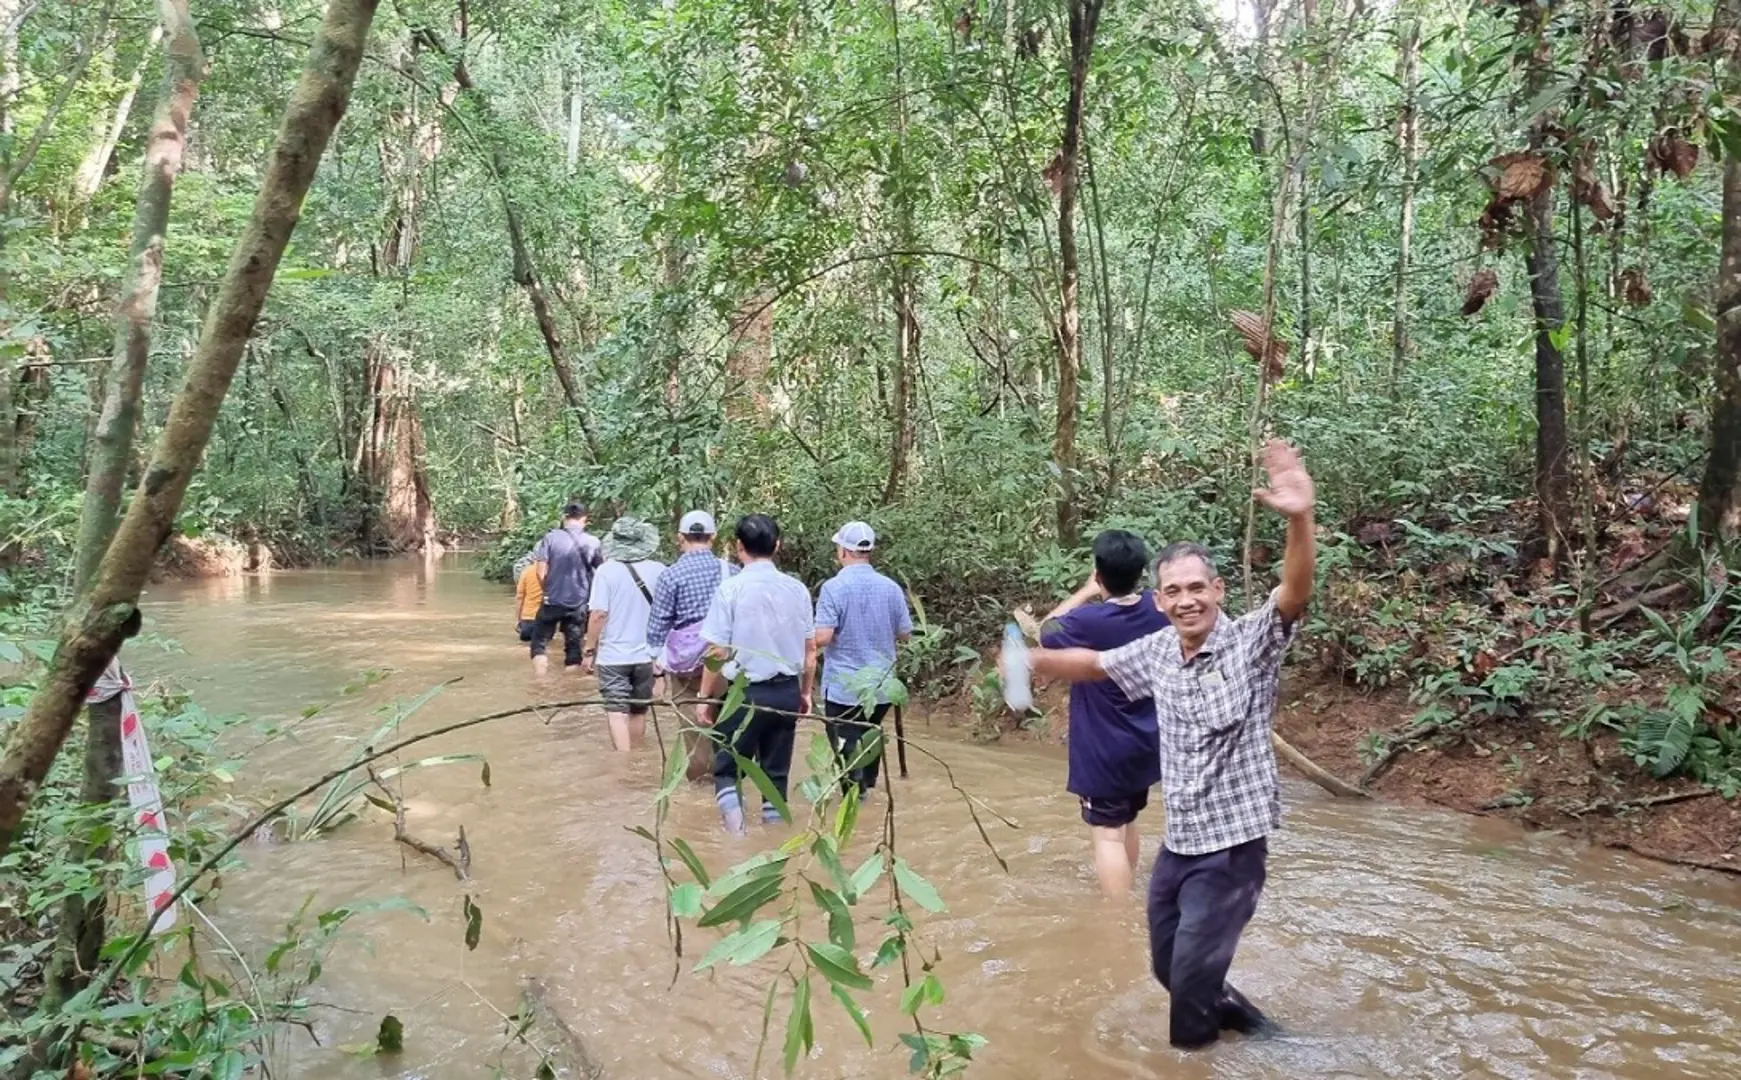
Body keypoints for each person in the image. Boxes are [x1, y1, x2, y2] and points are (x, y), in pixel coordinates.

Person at [1018, 441, 1316, 1049]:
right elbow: (1097, 664)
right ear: (1158, 601)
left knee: (1187, 998)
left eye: (1196, 588)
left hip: (1232, 849)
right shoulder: (1157, 649)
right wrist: (1033, 660)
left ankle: (1194, 1057)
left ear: (1219, 589)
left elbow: (1293, 592)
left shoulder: (1251, 643)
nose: (1186, 600)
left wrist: (1299, 518)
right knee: (1166, 970)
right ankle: (1263, 1035)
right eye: (1174, 591)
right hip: (1179, 845)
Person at [1038, 529, 1170, 897]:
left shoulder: (1088, 621)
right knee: (1127, 821)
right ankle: (1129, 889)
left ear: (1099, 574)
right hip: (1146, 740)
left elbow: (1046, 629)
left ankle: (1117, 918)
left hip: (1103, 748)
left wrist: (1084, 592)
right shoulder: (1159, 609)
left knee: (1107, 834)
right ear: (1141, 573)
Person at [697, 513, 816, 835]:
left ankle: (736, 838)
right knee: (775, 777)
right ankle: (774, 844)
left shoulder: (730, 590)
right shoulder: (797, 590)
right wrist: (805, 693)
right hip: (786, 693)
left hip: (744, 695)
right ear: (777, 546)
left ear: (739, 547)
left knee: (727, 770)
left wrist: (705, 699)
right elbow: (810, 652)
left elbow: (716, 652)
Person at [814, 521, 911, 796]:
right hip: (881, 688)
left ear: (844, 551)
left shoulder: (834, 588)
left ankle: (856, 807)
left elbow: (822, 637)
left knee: (847, 756)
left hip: (844, 688)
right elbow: (905, 634)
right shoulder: (891, 588)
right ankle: (868, 793)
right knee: (869, 739)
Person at [646, 510, 735, 779]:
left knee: (695, 734)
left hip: (688, 669)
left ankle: (700, 789)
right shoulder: (731, 571)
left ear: (680, 538)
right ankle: (729, 786)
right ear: (714, 537)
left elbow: (657, 627)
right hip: (728, 664)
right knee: (729, 729)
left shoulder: (671, 575)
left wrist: (657, 672)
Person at [582, 517, 666, 751]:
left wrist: (589, 650)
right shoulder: (659, 570)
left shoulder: (606, 572)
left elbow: (598, 614)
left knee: (617, 712)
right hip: (647, 656)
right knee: (639, 710)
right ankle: (638, 759)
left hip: (614, 656)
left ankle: (624, 763)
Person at [528, 502, 603, 677]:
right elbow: (601, 574)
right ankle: (570, 689)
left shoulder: (550, 538)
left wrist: (547, 591)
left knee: (539, 643)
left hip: (551, 600)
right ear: (585, 520)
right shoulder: (593, 542)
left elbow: (540, 572)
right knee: (573, 648)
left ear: (565, 518)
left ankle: (541, 683)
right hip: (579, 603)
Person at [513, 547, 541, 643]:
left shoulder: (526, 572)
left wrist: (517, 619)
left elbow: (519, 597)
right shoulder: (553, 572)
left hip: (528, 618)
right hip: (546, 618)